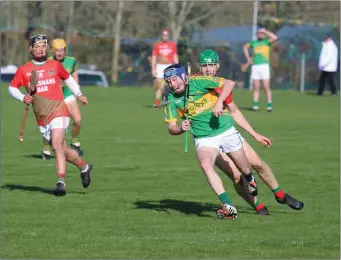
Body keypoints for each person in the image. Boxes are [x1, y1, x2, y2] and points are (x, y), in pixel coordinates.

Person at [197, 50, 304, 210]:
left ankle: (280, 195)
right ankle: (258, 206)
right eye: (205, 66)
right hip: (208, 140)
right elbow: (176, 89)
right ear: (200, 67)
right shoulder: (194, 84)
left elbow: (234, 111)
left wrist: (255, 134)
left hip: (228, 133)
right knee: (236, 175)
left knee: (258, 163)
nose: (208, 69)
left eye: (212, 65)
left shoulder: (222, 85)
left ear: (217, 66)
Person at [164, 63, 273, 219]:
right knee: (205, 164)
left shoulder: (198, 82)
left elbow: (229, 83)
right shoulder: (171, 99)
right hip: (204, 138)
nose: (173, 84)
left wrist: (219, 102)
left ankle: (250, 178)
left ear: (183, 76)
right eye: (169, 82)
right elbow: (171, 128)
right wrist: (181, 128)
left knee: (245, 169)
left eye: (175, 80)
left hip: (225, 130)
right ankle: (228, 206)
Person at [8, 34, 93, 196]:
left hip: (59, 110)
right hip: (42, 117)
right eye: (37, 46)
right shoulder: (24, 70)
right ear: (31, 49)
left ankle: (61, 182)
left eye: (43, 46)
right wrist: (22, 97)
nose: (41, 49)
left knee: (56, 144)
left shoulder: (55, 65)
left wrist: (79, 94)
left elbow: (68, 79)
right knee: (62, 149)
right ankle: (84, 167)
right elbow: (12, 88)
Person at [41, 38, 84, 160]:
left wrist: (76, 88)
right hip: (52, 98)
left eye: (62, 50)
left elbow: (74, 72)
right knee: (49, 126)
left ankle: (75, 142)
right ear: (53, 51)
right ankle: (46, 149)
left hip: (67, 95)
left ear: (65, 50)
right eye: (57, 50)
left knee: (78, 120)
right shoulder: (47, 62)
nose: (60, 53)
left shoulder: (71, 61)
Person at [243, 28, 278, 111]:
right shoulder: (254, 42)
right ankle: (255, 105)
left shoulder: (266, 41)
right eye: (259, 33)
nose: (261, 34)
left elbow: (275, 38)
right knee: (256, 86)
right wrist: (248, 59)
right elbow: (245, 47)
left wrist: (266, 31)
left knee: (266, 86)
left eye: (262, 33)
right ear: (257, 34)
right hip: (255, 66)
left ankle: (269, 105)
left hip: (264, 66)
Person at [151, 29, 178, 108]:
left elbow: (175, 56)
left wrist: (177, 66)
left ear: (168, 36)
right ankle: (157, 101)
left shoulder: (172, 45)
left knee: (169, 84)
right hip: (160, 66)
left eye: (166, 35)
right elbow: (154, 57)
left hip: (169, 66)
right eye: (163, 35)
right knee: (159, 84)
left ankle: (169, 100)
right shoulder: (157, 45)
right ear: (161, 36)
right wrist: (153, 68)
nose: (165, 36)